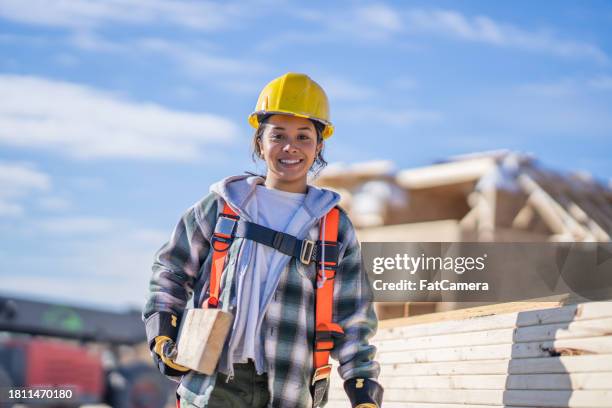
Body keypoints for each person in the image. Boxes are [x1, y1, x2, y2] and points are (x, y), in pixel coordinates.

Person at [142, 73, 383, 408]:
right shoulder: (222, 207)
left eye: (303, 136)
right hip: (212, 384)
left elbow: (352, 314)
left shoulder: (332, 225)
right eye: (278, 135)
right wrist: (163, 333)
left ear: (319, 146)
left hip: (288, 385)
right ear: (259, 142)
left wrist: (363, 389)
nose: (290, 147)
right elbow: (170, 271)